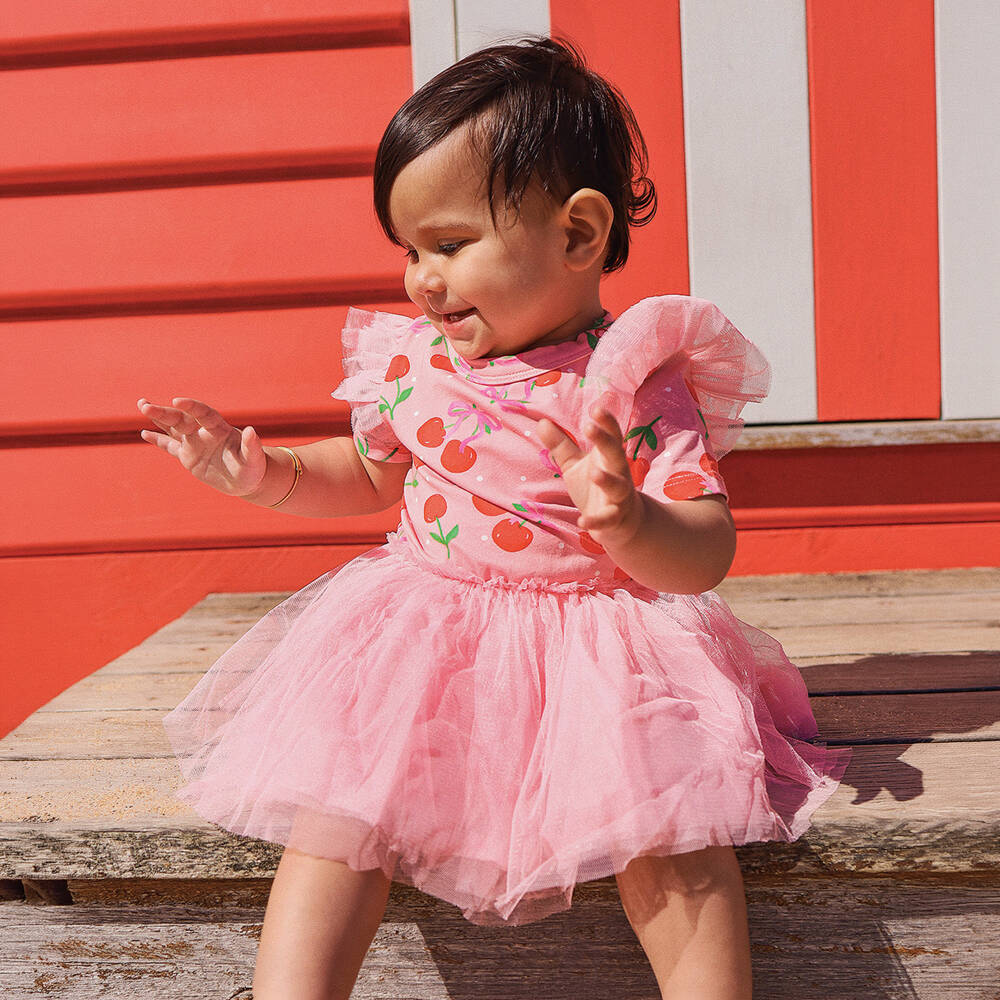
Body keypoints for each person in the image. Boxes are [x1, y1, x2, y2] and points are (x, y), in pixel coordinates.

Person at [137, 37, 851, 1000]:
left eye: (450, 244)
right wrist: (261, 474)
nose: (421, 281)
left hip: (603, 653)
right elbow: (367, 474)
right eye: (409, 250)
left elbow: (704, 550)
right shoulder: (415, 363)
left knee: (675, 841)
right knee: (337, 818)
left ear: (579, 234)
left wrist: (631, 520)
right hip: (427, 637)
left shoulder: (634, 381)